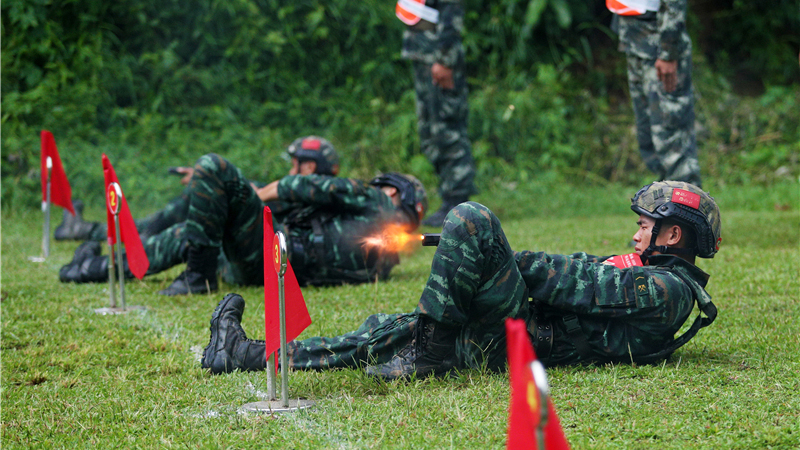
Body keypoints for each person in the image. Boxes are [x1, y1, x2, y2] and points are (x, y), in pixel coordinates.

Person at [201, 181, 721, 379]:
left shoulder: (670, 292)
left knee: (469, 218)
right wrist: (491, 260)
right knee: (382, 333)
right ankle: (244, 355)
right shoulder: (649, 274)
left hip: (528, 341)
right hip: (521, 331)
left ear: (672, 236)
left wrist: (491, 254)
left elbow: (573, 283)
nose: (636, 234)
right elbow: (578, 268)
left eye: (645, 226)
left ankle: (432, 350)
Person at [59, 153, 427, 296]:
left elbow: (300, 185)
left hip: (270, 253)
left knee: (212, 167)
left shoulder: (378, 204)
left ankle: (193, 277)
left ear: (392, 191)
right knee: (197, 232)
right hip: (273, 268)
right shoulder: (384, 259)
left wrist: (257, 193)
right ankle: (92, 265)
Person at [54, 136, 340, 242]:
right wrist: (207, 179)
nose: (290, 171)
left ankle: (93, 232)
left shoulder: (310, 192)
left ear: (309, 168)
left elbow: (264, 193)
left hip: (244, 242)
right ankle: (97, 230)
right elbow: (259, 188)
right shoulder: (297, 190)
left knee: (169, 224)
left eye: (295, 165)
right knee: (178, 211)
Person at [396, 0, 477, 227]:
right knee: (430, 132)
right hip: (424, 56)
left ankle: (457, 203)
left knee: (447, 128)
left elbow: (452, 14)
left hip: (438, 59)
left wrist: (445, 58)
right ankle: (448, 200)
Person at [609, 0, 702, 186]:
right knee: (649, 139)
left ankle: (688, 208)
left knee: (671, 139)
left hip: (658, 44)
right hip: (635, 39)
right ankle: (668, 205)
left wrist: (668, 51)